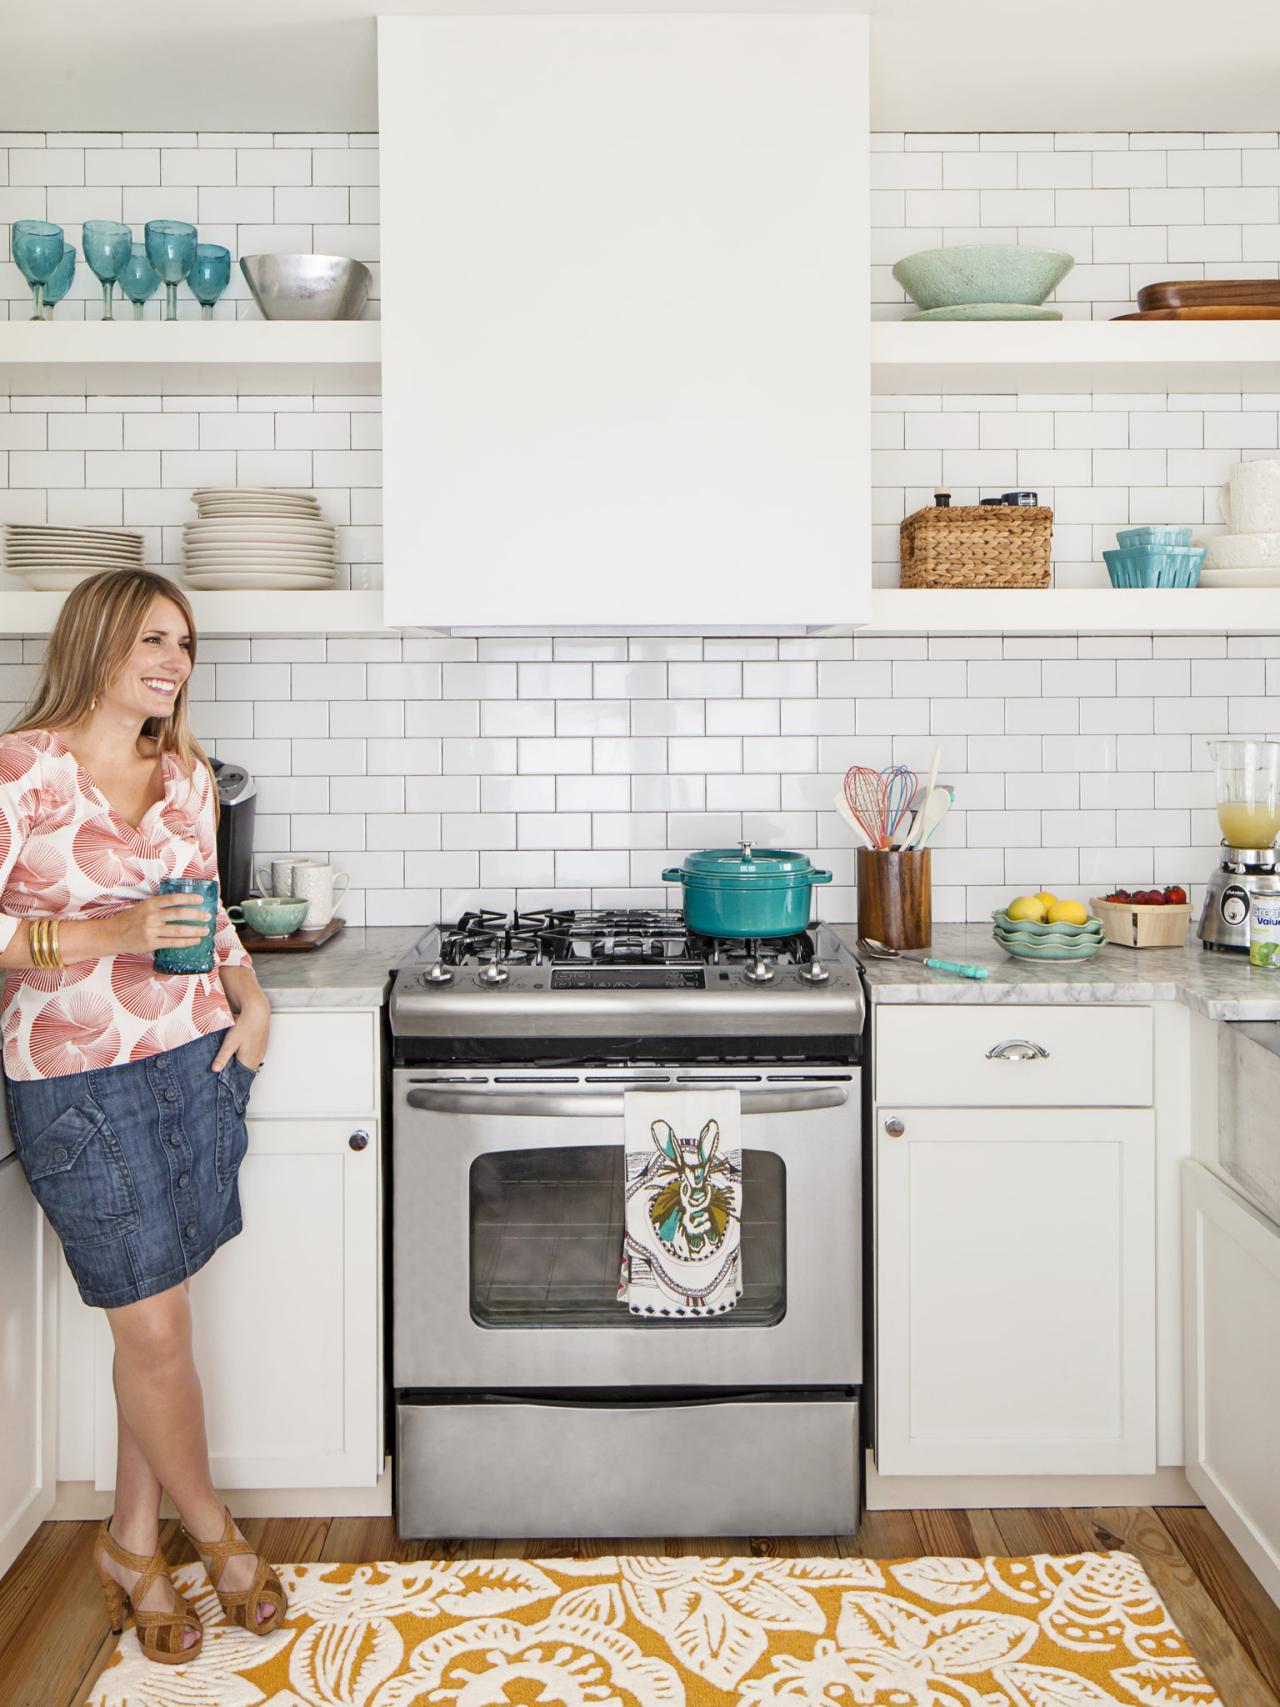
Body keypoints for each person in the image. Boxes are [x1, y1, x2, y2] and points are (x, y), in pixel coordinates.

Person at [0, 569, 286, 1666]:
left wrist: (250, 1004)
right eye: (150, 640)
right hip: (77, 1083)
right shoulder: (22, 771)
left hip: (197, 1062)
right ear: (96, 643)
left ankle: (130, 1541)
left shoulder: (185, 774)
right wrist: (98, 939)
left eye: (182, 643)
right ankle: (216, 1536)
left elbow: (207, 910)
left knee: (151, 1324)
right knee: (154, 1327)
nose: (171, 661)